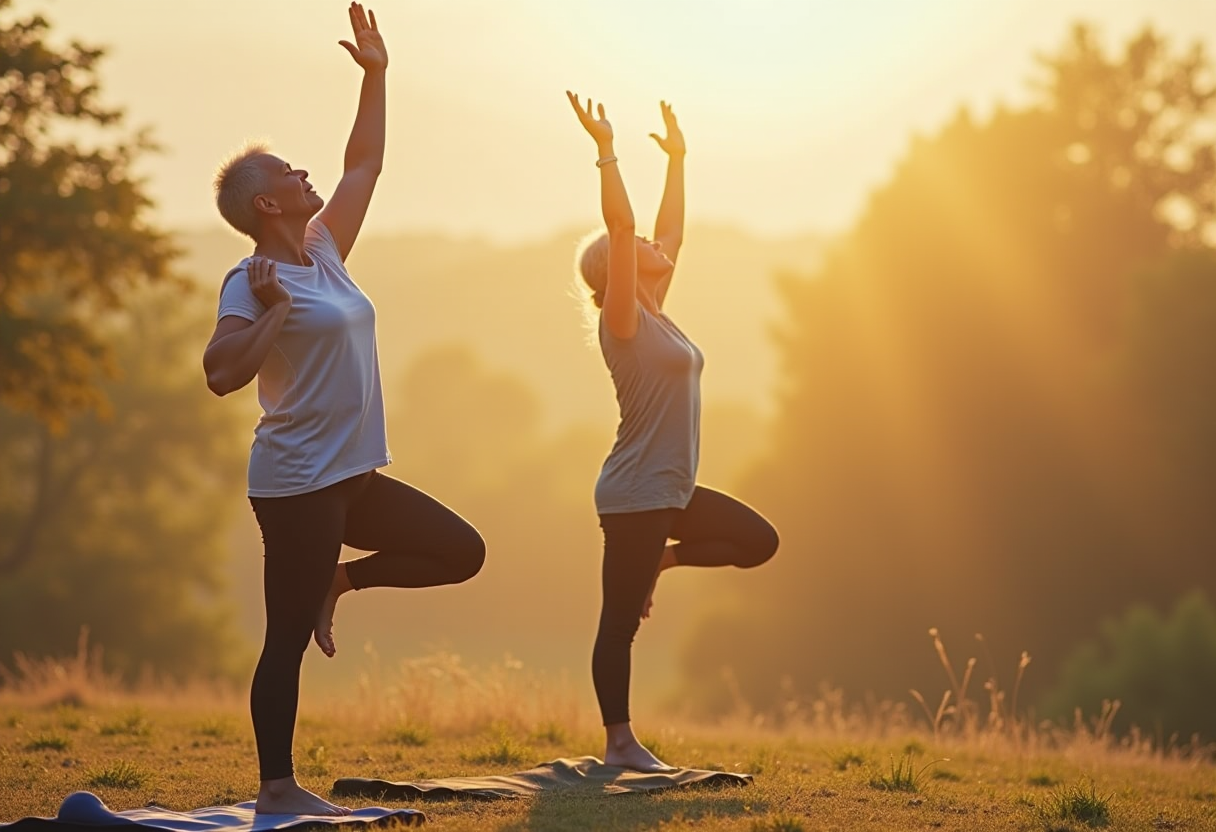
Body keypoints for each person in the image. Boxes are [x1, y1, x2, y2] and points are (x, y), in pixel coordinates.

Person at [203, 5, 485, 815]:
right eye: (289, 174)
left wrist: (376, 76)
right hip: (296, 485)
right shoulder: (251, 281)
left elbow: (363, 164)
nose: (305, 176)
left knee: (461, 551)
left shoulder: (322, 249)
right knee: (284, 639)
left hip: (354, 476)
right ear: (266, 205)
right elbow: (221, 374)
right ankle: (278, 791)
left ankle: (341, 579)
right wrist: (273, 318)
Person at [565, 92, 781, 772]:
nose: (658, 247)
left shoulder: (658, 316)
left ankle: (665, 556)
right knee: (619, 624)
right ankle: (620, 743)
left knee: (757, 541)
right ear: (621, 271)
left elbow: (670, 231)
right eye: (637, 249)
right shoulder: (623, 323)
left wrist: (679, 161)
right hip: (634, 494)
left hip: (670, 489)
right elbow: (626, 226)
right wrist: (607, 150)